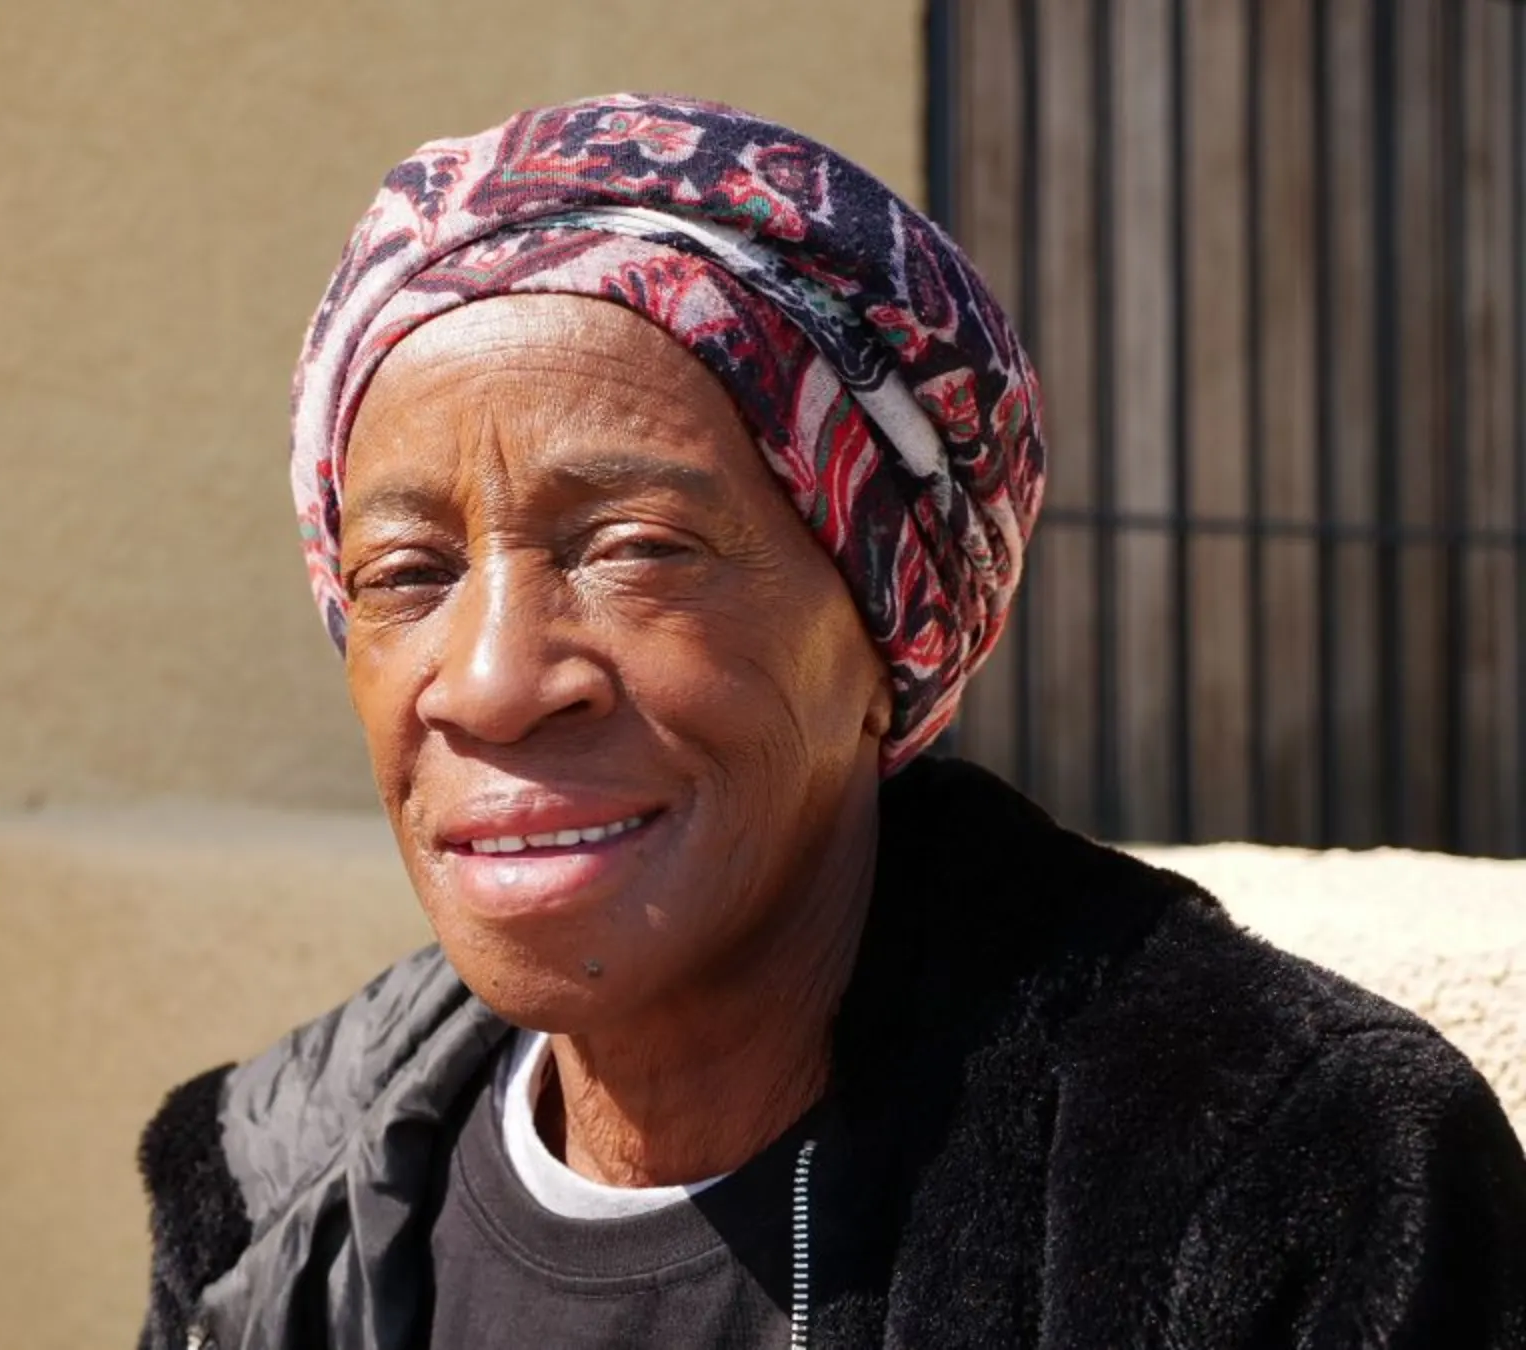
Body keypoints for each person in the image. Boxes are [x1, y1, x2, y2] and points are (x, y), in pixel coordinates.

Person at [134, 94, 1526, 1349]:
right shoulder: (270, 1197)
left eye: (637, 546)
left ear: (887, 626)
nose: (494, 676)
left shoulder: (1276, 1178)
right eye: (407, 576)